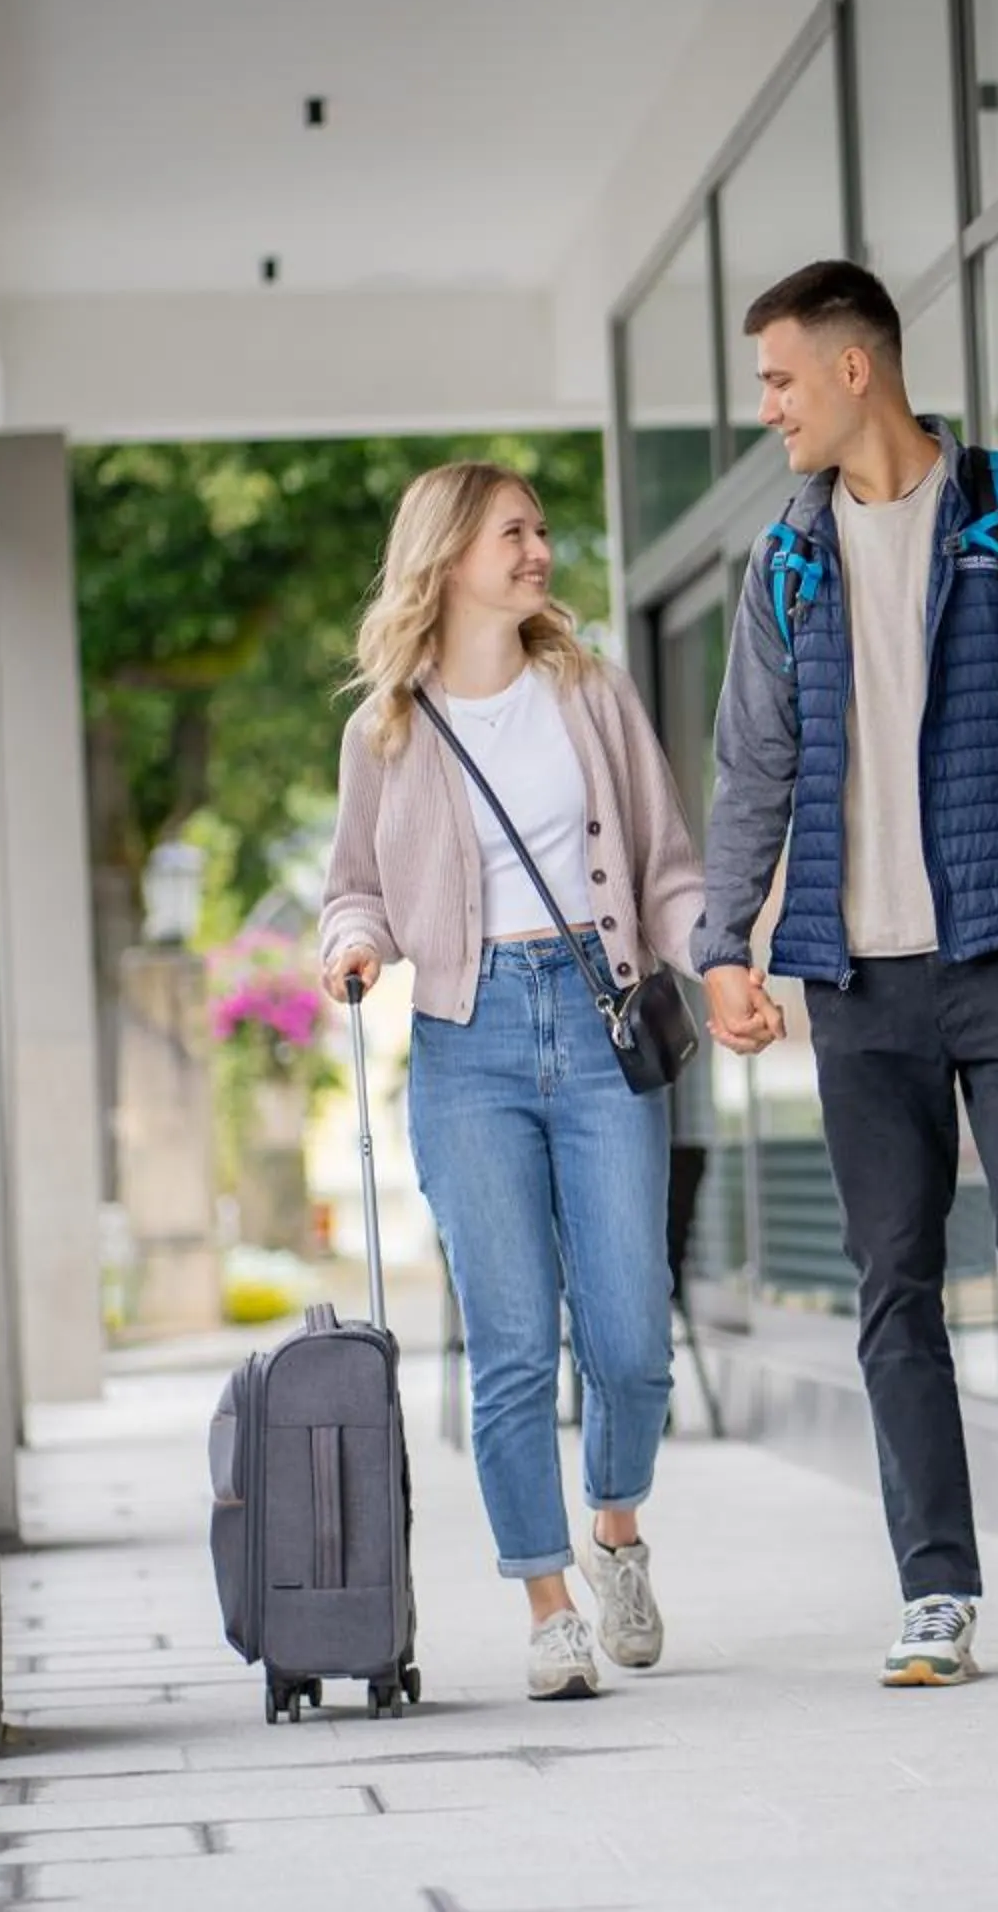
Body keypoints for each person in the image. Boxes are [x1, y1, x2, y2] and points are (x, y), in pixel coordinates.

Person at [694, 260, 998, 1686]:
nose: (765, 409)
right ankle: (936, 1588)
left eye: (777, 379)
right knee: (894, 1282)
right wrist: (724, 947)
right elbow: (750, 769)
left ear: (853, 370)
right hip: (857, 981)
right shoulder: (789, 560)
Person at [319, 460, 705, 1701]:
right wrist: (354, 943)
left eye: (541, 529)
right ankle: (548, 1603)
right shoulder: (383, 723)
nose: (540, 550)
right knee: (513, 1348)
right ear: (448, 556)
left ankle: (617, 1531)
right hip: (467, 1036)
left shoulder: (587, 690)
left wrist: (728, 962)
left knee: (633, 1339)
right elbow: (350, 886)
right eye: (515, 532)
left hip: (600, 1017)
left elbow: (666, 865)